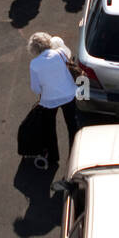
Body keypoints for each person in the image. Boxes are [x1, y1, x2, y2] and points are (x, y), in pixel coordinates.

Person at [27, 31, 79, 165]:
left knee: (49, 129)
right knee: (72, 126)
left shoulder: (34, 64)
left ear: (34, 49)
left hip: (49, 100)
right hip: (69, 95)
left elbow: (35, 88)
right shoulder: (61, 53)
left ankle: (53, 157)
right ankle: (75, 156)